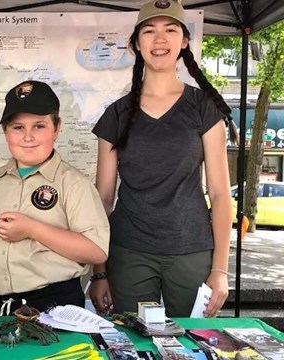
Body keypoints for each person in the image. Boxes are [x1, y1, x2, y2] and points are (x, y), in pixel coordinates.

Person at [89, 0, 236, 318]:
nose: (160, 39)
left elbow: (222, 194)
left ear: (184, 41)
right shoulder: (116, 113)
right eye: (149, 30)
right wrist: (99, 272)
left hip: (192, 252)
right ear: (136, 43)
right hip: (128, 253)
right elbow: (102, 200)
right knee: (132, 344)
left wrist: (221, 270)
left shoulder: (203, 108)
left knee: (193, 344)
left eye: (170, 30)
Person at [0, 80, 110, 315]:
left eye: (39, 126)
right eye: (17, 127)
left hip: (57, 309)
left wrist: (32, 229)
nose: (28, 136)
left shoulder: (73, 184)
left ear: (57, 127)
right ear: (5, 132)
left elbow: (96, 250)